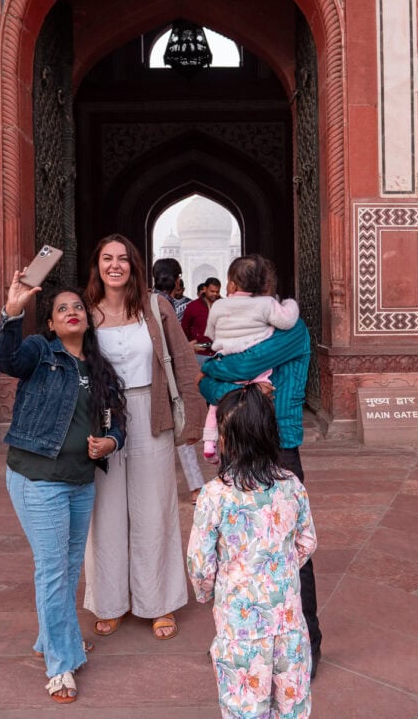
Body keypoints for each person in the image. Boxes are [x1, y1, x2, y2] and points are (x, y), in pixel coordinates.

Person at [0, 274, 127, 704]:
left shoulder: (100, 368)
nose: (73, 312)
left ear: (89, 319)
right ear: (50, 323)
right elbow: (5, 359)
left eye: (78, 308)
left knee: (68, 569)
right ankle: (60, 665)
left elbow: (117, 422)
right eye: (62, 309)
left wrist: (112, 442)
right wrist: (12, 314)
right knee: (52, 569)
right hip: (37, 477)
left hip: (79, 480)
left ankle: (51, 638)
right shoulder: (39, 353)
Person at [197, 255, 323, 678]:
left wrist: (217, 370)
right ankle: (238, 637)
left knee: (289, 551)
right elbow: (206, 383)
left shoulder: (292, 330)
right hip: (237, 445)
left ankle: (306, 648)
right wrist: (216, 374)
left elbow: (231, 367)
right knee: (236, 547)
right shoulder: (261, 326)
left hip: (278, 446)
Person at [82, 234, 206, 641]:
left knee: (155, 508)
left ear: (134, 265)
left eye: (122, 259)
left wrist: (192, 424)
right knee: (106, 511)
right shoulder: (85, 311)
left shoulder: (156, 307)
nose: (115, 265)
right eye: (107, 258)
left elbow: (184, 364)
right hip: (103, 420)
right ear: (97, 265)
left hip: (150, 414)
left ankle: (159, 602)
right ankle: (109, 600)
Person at [187, 385, 317, 719]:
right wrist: (279, 570)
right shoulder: (291, 484)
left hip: (240, 624)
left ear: (227, 439)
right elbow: (306, 542)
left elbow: (200, 564)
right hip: (289, 621)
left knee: (244, 706)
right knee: (291, 706)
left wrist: (211, 592)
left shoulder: (215, 495)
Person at [200, 255, 300, 459]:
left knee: (215, 406)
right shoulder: (269, 313)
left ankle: (209, 442)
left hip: (277, 437)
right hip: (238, 434)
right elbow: (212, 386)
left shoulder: (294, 331)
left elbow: (241, 367)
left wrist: (208, 369)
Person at [153, 258, 206, 504]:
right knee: (181, 429)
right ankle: (195, 488)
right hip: (169, 377)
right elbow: (174, 345)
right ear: (177, 280)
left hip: (147, 377)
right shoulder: (171, 305)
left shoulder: (140, 302)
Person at [181, 276, 222, 359]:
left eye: (217, 291)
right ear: (205, 289)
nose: (215, 294)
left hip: (219, 354)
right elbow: (184, 330)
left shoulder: (223, 305)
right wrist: (190, 347)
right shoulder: (193, 306)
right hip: (199, 353)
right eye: (212, 291)